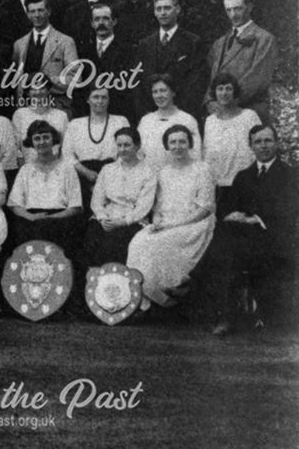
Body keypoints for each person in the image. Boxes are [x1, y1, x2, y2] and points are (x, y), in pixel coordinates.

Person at [201, 125, 298, 335]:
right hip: (243, 237)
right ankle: (225, 317)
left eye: (267, 140)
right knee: (223, 249)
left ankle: (197, 279)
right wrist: (233, 215)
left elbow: (289, 210)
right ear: (251, 147)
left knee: (232, 250)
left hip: (274, 237)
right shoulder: (243, 176)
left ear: (277, 143)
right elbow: (227, 206)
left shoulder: (290, 175)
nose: (263, 146)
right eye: (258, 142)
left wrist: (256, 219)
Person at [127, 124, 216, 309]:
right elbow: (158, 208)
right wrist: (158, 223)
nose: (177, 146)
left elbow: (205, 209)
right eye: (173, 142)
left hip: (194, 224)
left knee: (156, 244)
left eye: (182, 141)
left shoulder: (202, 169)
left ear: (190, 144)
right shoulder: (163, 173)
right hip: (166, 224)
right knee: (138, 241)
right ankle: (145, 299)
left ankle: (162, 299)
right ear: (167, 146)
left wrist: (173, 226)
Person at [82, 127, 157, 267]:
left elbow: (144, 206)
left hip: (132, 220)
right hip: (107, 217)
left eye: (127, 145)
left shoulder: (148, 172)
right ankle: (94, 283)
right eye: (119, 145)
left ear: (137, 145)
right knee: (91, 238)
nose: (123, 149)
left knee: (113, 243)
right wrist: (102, 218)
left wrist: (123, 222)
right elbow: (97, 200)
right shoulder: (108, 169)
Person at [6, 121, 83, 255]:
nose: (42, 142)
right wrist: (31, 217)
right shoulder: (26, 170)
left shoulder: (67, 168)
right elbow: (15, 204)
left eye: (46, 137)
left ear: (53, 139)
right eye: (37, 138)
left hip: (61, 221)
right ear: (31, 142)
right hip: (31, 220)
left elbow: (75, 207)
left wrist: (51, 219)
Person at [204, 0, 278, 124]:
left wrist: (226, 103)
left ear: (249, 7)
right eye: (228, 10)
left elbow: (257, 79)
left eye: (238, 9)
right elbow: (211, 77)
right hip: (220, 113)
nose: (233, 15)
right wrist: (210, 100)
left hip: (250, 112)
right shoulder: (219, 43)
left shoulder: (264, 39)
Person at [134, 0, 207, 122]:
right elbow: (139, 83)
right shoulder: (145, 44)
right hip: (152, 116)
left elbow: (196, 83)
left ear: (177, 9)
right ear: (154, 12)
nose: (163, 12)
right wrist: (147, 114)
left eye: (167, 8)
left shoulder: (192, 42)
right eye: (159, 9)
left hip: (182, 114)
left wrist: (179, 114)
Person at [61, 88, 130, 210]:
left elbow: (126, 150)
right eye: (96, 97)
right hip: (83, 176)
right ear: (88, 100)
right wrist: (86, 173)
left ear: (109, 100)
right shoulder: (75, 124)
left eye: (104, 97)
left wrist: (106, 175)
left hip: (114, 174)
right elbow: (67, 155)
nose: (100, 101)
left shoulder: (120, 121)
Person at [11, 0, 78, 113]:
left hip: (56, 108)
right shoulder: (19, 44)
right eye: (32, 11)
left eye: (40, 10)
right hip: (26, 109)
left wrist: (46, 82)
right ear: (27, 14)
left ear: (49, 11)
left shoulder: (65, 42)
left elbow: (75, 79)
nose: (36, 15)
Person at [72, 2, 136, 120]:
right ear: (92, 23)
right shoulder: (83, 52)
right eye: (97, 19)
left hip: (118, 113)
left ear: (114, 21)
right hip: (89, 114)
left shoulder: (128, 51)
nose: (101, 23)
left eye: (106, 19)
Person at [202, 72, 261, 199]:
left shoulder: (249, 116)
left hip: (245, 184)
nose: (224, 93)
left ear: (235, 92)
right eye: (220, 89)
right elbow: (207, 153)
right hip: (217, 187)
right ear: (215, 93)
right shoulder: (210, 121)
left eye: (228, 88)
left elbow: (260, 147)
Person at [137, 73, 201, 170]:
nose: (159, 96)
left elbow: (196, 155)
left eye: (163, 91)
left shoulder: (187, 120)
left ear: (173, 92)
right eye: (155, 92)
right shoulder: (146, 121)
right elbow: (139, 153)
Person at [12, 84, 68, 165]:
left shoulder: (61, 115)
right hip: (28, 168)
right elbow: (16, 148)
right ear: (28, 92)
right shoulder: (20, 114)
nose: (38, 92)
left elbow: (66, 147)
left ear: (48, 91)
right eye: (33, 89)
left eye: (42, 88)